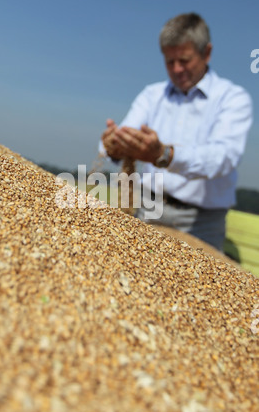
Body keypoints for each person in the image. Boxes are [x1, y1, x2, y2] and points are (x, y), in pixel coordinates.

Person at [100, 13, 253, 251]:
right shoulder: (152, 95)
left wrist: (164, 155)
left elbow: (222, 158)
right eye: (169, 62)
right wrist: (115, 143)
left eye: (184, 60)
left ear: (207, 53)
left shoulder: (233, 99)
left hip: (200, 222)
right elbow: (119, 138)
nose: (177, 69)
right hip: (147, 208)